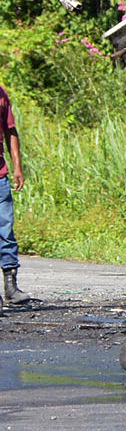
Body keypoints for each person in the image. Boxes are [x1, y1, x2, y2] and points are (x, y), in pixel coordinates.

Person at [0, 79, 27, 308]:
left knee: (6, 230)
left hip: (0, 175)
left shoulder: (1, 94)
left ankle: (11, 286)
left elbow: (11, 131)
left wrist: (17, 167)